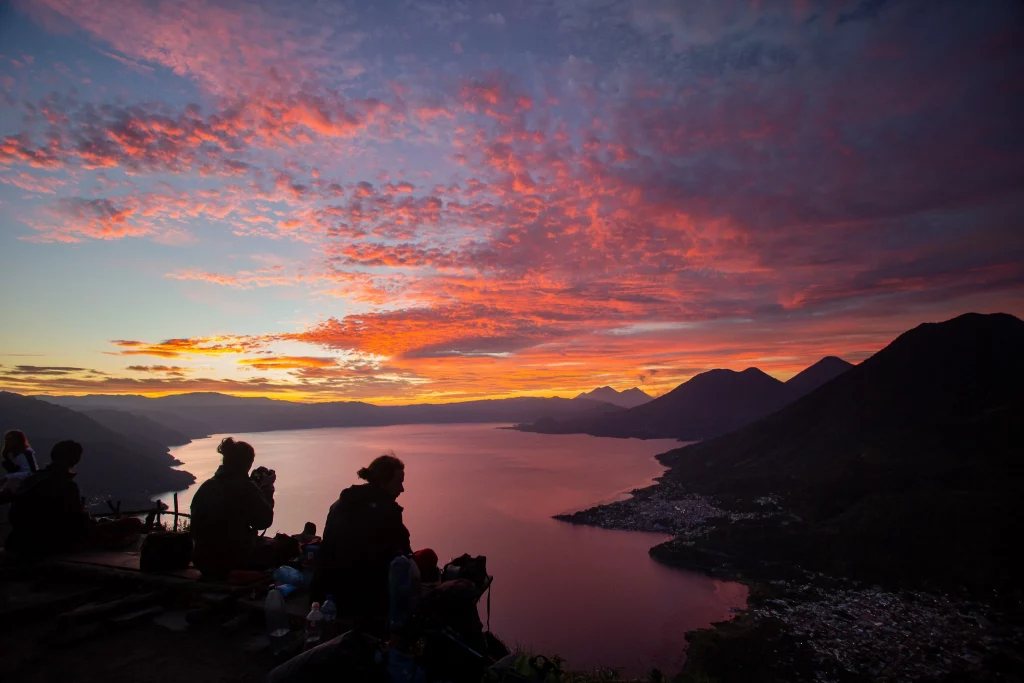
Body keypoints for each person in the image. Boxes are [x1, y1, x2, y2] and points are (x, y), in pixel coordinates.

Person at [310, 453, 412, 633]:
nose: (402, 489)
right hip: (359, 600)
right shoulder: (387, 512)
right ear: (383, 482)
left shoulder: (342, 502)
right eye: (398, 482)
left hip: (324, 591)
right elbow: (404, 554)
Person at [5, 440, 141, 557]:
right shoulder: (66, 485)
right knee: (134, 522)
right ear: (75, 460)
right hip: (54, 544)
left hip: (19, 541)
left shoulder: (31, 479)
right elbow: (78, 525)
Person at [189, 437, 277, 580]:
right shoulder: (245, 487)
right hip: (233, 559)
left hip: (203, 561)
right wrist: (267, 489)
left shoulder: (206, 486)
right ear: (246, 464)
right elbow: (264, 521)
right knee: (280, 549)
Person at [0, 430, 39, 497]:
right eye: (6, 439)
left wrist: (7, 477)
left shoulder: (25, 454)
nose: (6, 441)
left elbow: (31, 472)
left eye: (9, 439)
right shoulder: (11, 453)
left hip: (26, 488)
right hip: (16, 486)